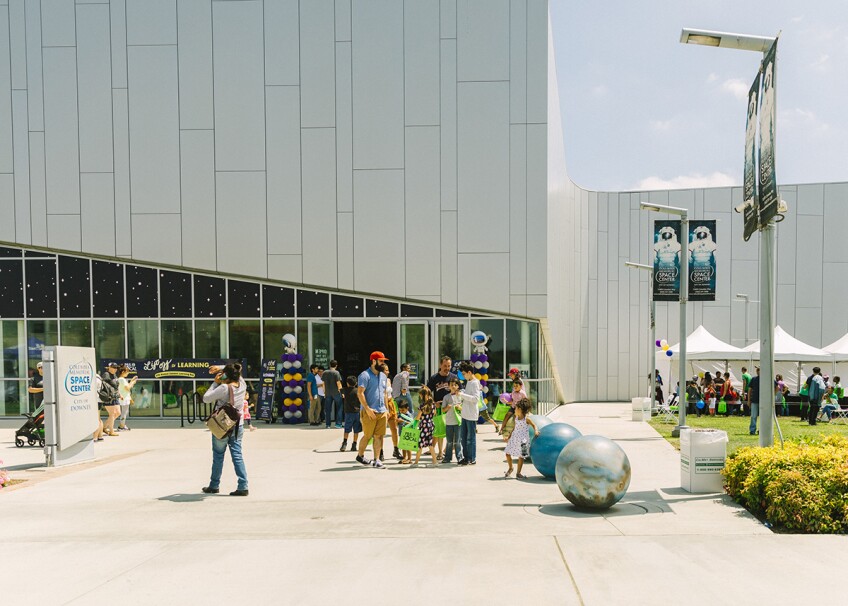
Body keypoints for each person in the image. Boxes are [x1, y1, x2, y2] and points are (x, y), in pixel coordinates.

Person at [202, 363, 249, 496]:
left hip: (222, 427)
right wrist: (221, 368)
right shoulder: (242, 383)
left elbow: (206, 398)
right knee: (237, 455)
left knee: (218, 455)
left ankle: (214, 485)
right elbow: (238, 367)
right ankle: (243, 486)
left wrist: (215, 383)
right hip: (237, 425)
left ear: (227, 375)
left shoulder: (223, 387)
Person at [355, 351, 390, 468]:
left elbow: (384, 394)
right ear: (374, 361)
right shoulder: (364, 375)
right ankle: (360, 455)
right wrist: (367, 409)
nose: (383, 363)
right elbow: (360, 393)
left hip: (382, 411)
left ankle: (377, 460)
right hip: (369, 411)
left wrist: (387, 409)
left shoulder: (383, 376)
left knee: (379, 436)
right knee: (367, 435)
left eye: (384, 361)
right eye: (381, 361)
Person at [426, 356, 456, 460]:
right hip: (439, 409)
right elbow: (427, 393)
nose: (447, 368)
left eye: (449, 366)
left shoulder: (453, 377)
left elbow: (459, 392)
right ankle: (439, 452)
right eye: (445, 366)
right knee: (439, 431)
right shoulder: (434, 378)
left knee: (451, 431)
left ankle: (445, 450)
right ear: (440, 365)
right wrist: (433, 403)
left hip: (451, 408)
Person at [504, 398, 540, 478]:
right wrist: (509, 436)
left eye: (516, 408)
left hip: (524, 440)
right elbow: (514, 427)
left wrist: (536, 431)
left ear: (520, 409)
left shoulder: (526, 419)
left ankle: (518, 472)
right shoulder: (516, 418)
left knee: (521, 456)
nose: (514, 410)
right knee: (507, 453)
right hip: (515, 438)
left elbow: (534, 425)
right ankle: (511, 468)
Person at [457, 361, 481, 465]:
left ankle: (472, 458)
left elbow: (476, 399)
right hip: (465, 414)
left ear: (470, 372)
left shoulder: (475, 382)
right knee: (463, 438)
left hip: (471, 415)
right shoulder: (469, 382)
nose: (463, 376)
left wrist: (462, 395)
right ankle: (466, 457)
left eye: (464, 374)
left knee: (470, 438)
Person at [441, 379, 464, 464]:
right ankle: (447, 457)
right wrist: (448, 407)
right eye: (451, 385)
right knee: (449, 441)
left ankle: (459, 457)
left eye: (455, 385)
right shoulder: (446, 397)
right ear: (449, 386)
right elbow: (443, 410)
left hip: (458, 422)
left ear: (458, 386)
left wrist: (460, 408)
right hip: (449, 422)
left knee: (457, 441)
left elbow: (464, 409)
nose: (453, 386)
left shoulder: (461, 396)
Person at [382, 364, 402, 461]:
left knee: (394, 429)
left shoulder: (389, 380)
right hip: (383, 405)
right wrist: (386, 409)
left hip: (391, 403)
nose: (388, 372)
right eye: (386, 370)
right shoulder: (379, 381)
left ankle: (396, 449)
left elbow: (390, 394)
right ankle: (380, 451)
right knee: (381, 431)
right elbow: (384, 395)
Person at [414, 388, 438, 466]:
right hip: (430, 425)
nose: (420, 397)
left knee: (420, 444)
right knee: (430, 444)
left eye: (421, 395)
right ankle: (435, 462)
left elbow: (418, 417)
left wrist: (415, 421)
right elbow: (434, 414)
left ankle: (416, 463)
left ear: (424, 395)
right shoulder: (433, 405)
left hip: (424, 426)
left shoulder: (422, 406)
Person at [99, 363, 121, 436]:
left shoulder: (114, 375)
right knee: (112, 414)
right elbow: (104, 385)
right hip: (109, 397)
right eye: (114, 367)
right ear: (109, 367)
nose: (115, 369)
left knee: (118, 413)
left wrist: (119, 394)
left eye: (116, 368)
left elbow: (116, 386)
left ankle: (104, 427)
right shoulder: (106, 374)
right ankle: (111, 431)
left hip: (115, 396)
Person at [340, 376, 361, 452]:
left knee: (347, 429)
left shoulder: (345, 390)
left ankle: (344, 443)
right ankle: (354, 444)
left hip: (348, 412)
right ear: (356, 383)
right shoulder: (358, 391)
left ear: (347, 383)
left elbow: (340, 389)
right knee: (356, 430)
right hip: (357, 412)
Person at [323, 360, 343, 429]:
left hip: (328, 393)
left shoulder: (325, 372)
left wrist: (324, 392)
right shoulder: (336, 373)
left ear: (329, 365)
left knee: (328, 409)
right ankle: (338, 424)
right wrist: (342, 392)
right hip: (336, 393)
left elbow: (323, 384)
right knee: (339, 408)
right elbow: (338, 383)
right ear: (336, 365)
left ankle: (328, 424)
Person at [116, 365, 137, 431]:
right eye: (127, 371)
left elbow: (127, 388)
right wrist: (132, 382)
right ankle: (121, 426)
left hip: (124, 398)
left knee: (124, 412)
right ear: (123, 372)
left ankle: (122, 425)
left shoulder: (120, 379)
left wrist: (131, 382)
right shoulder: (122, 379)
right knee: (124, 413)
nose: (128, 373)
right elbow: (127, 388)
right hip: (124, 398)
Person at [747, 367, 761, 435]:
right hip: (754, 400)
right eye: (757, 370)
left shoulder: (767, 378)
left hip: (764, 402)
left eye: (759, 370)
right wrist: (749, 400)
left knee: (763, 417)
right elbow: (749, 390)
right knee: (753, 416)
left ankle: (761, 430)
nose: (758, 372)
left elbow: (777, 387)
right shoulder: (754, 379)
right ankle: (752, 430)